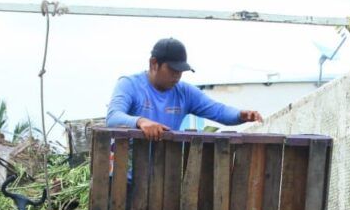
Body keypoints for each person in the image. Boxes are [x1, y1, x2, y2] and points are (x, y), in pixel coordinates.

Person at [106, 38, 263, 140]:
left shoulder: (185, 93)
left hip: (162, 176)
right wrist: (140, 122)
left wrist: (240, 115)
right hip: (123, 175)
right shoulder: (129, 84)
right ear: (154, 64)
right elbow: (113, 118)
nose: (177, 75)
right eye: (172, 69)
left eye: (180, 71)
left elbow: (218, 111)